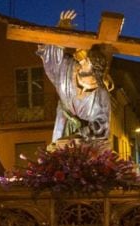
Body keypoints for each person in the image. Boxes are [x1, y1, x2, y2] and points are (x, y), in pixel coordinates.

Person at [38, 9, 111, 144]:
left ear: (95, 70)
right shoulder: (67, 68)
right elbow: (53, 58)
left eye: (86, 61)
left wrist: (81, 134)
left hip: (87, 144)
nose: (81, 61)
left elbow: (103, 124)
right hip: (62, 127)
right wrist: (61, 30)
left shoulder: (101, 94)